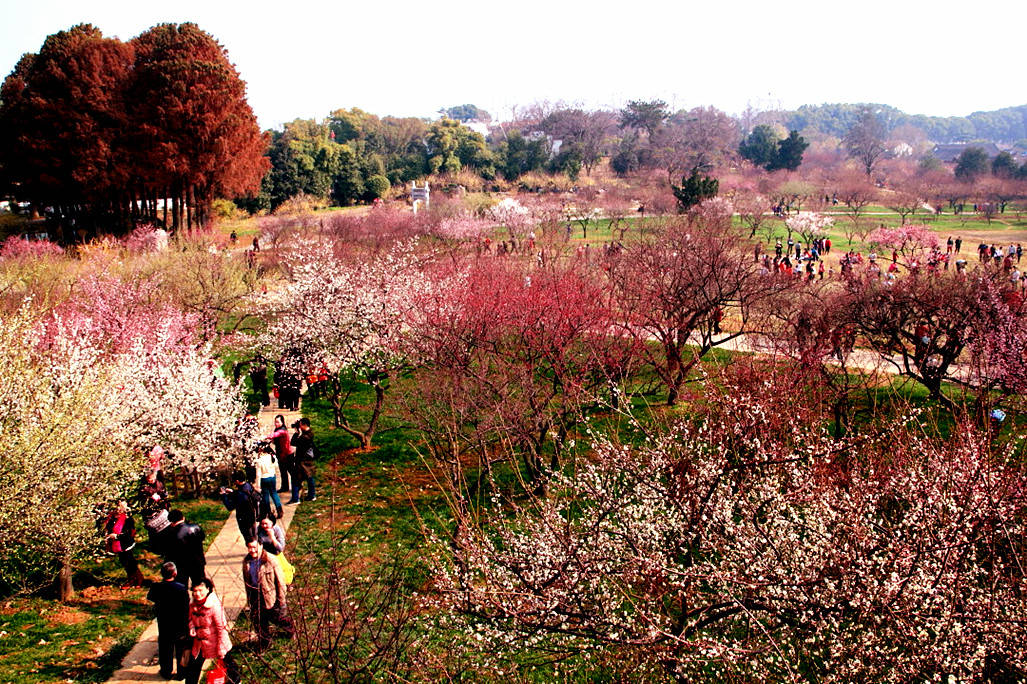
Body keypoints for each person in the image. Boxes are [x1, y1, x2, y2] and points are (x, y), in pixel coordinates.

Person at [242, 539, 295, 651]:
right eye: (250, 547)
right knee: (259, 621)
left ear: (261, 546)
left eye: (255, 547)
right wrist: (249, 599)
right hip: (255, 595)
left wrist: (281, 599)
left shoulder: (271, 560)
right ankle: (265, 642)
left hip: (270, 596)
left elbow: (280, 582)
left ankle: (290, 628)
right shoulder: (246, 561)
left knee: (276, 618)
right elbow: (247, 582)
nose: (252, 550)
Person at [184, 579, 238, 684]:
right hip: (200, 643)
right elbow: (190, 619)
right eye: (195, 591)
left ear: (208, 589)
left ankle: (236, 681)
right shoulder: (192, 604)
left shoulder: (214, 605)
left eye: (200, 590)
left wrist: (221, 648)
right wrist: (192, 628)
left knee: (229, 664)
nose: (197, 594)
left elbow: (221, 628)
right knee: (193, 668)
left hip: (216, 641)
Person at [147, 562, 190, 680]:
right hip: (180, 624)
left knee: (165, 649)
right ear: (175, 573)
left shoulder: (156, 587)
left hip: (164, 623)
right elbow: (186, 606)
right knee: (181, 649)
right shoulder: (181, 588)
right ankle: (182, 673)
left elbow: (150, 597)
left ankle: (166, 671)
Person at [103, 499, 144, 587]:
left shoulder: (127, 519)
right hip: (117, 545)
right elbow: (108, 528)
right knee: (124, 562)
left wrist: (117, 536)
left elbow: (130, 533)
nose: (118, 509)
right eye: (117, 507)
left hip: (125, 544)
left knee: (129, 562)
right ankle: (136, 578)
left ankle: (135, 579)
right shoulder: (111, 517)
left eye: (120, 507)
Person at [167, 509, 206, 588]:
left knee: (182, 587)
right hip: (198, 562)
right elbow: (202, 537)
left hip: (181, 566)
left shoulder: (170, 534)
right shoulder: (195, 527)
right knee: (199, 585)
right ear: (183, 518)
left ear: (171, 522)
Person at [221, 472, 259, 542]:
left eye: (234, 481)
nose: (234, 483)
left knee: (248, 537)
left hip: (243, 518)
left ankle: (253, 551)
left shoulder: (239, 494)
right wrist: (232, 492)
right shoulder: (248, 485)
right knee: (254, 534)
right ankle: (257, 549)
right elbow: (242, 493)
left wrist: (224, 495)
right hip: (252, 514)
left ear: (237, 481)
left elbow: (230, 507)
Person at [254, 441, 284, 521]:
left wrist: (257, 485)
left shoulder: (259, 460)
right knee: (274, 493)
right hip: (272, 477)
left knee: (265, 495)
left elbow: (258, 474)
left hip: (264, 478)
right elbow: (276, 466)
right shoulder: (272, 456)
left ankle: (268, 512)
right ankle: (279, 510)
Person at [289, 418, 317, 503]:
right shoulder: (310, 433)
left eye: (300, 425)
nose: (300, 426)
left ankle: (295, 499)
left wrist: (296, 433)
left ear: (304, 425)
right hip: (308, 460)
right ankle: (312, 495)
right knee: (309, 477)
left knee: (295, 479)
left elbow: (293, 442)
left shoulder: (305, 437)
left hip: (302, 461)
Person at [268, 414, 296, 495]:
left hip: (287, 454)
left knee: (291, 471)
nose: (276, 424)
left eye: (277, 422)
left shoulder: (282, 430)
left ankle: (297, 485)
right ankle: (285, 487)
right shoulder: (277, 429)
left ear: (282, 422)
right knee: (283, 471)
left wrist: (268, 436)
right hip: (280, 454)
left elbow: (276, 435)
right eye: (275, 422)